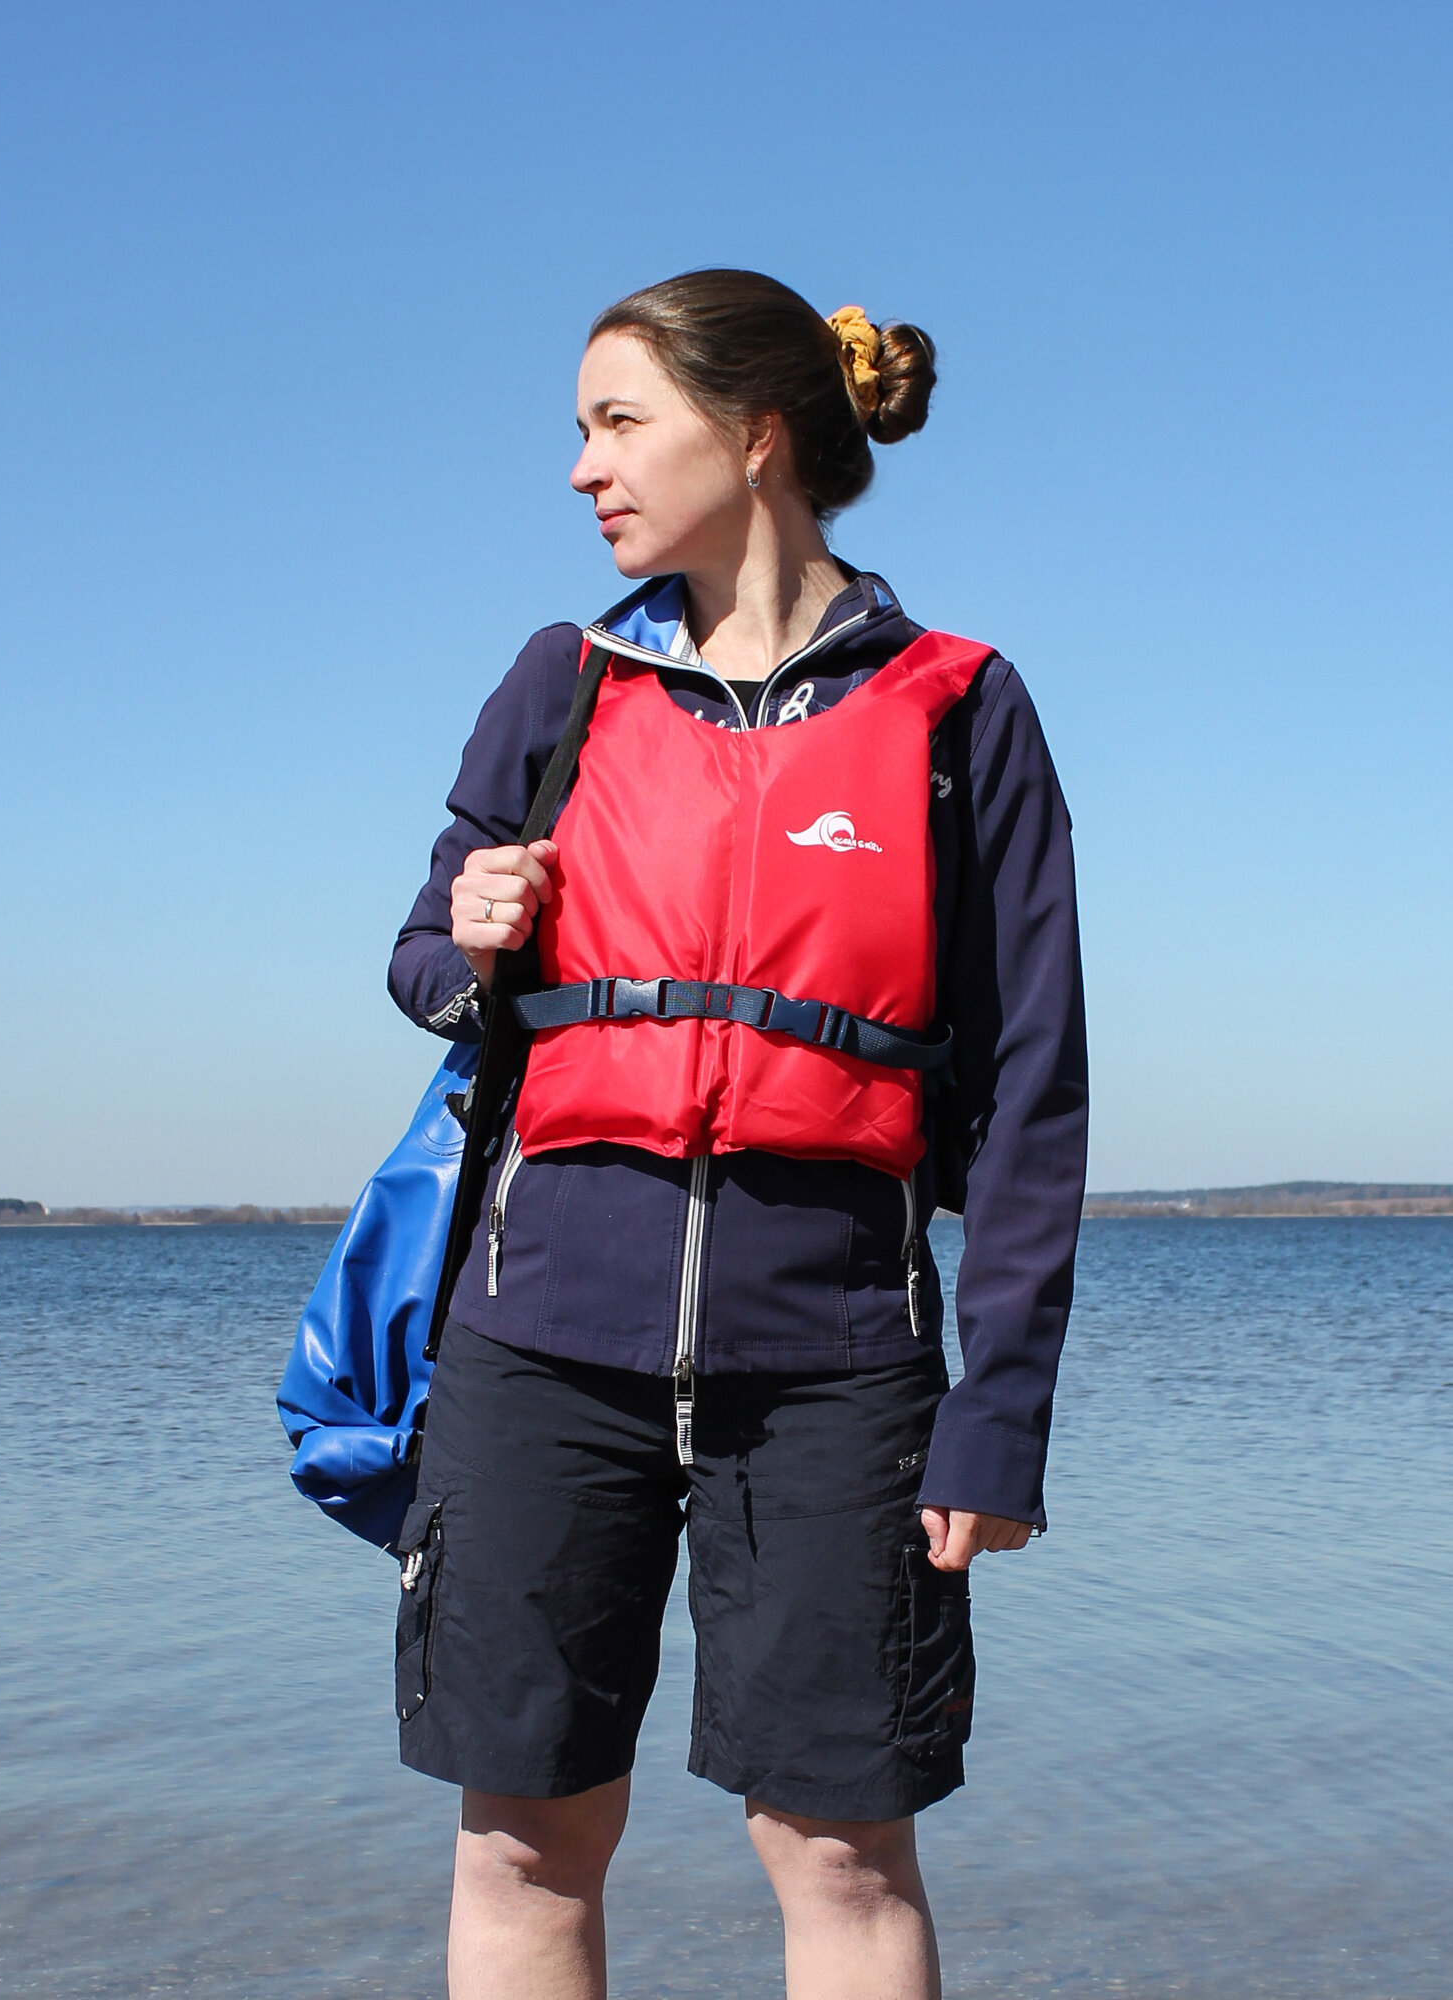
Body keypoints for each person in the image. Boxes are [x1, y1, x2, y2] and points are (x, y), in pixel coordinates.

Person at [388, 269, 1087, 2000]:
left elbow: (1033, 1090)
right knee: (521, 1839)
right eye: (581, 429)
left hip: (838, 1363)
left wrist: (1000, 1411)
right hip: (538, 1347)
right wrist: (470, 935)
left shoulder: (959, 705)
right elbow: (424, 966)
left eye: (619, 423)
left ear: (758, 434)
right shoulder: (564, 684)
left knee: (842, 1853)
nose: (583, 468)